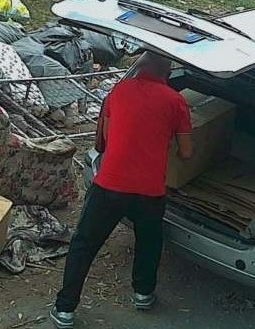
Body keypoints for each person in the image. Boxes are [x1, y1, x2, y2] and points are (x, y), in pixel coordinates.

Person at [50, 52, 193, 329]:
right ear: (168, 72)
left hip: (109, 186)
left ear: (140, 68)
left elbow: (101, 142)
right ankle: (143, 294)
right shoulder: (176, 101)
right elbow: (187, 153)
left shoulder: (118, 91)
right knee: (149, 241)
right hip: (150, 191)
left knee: (84, 244)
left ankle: (65, 309)